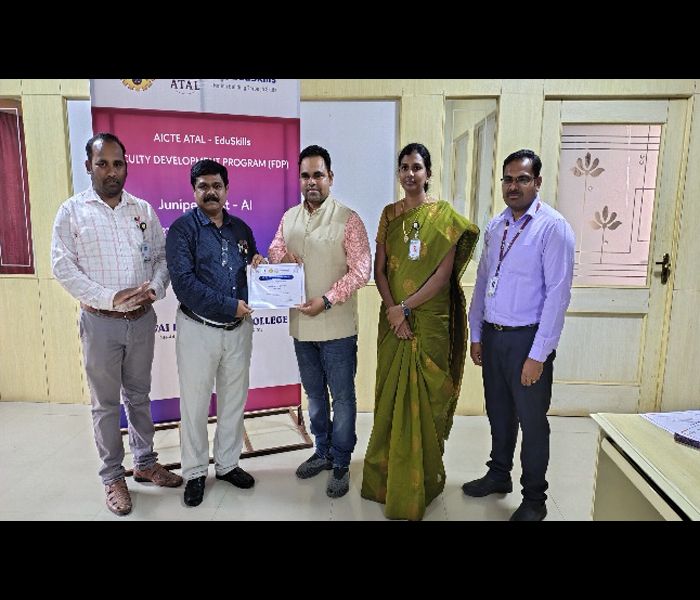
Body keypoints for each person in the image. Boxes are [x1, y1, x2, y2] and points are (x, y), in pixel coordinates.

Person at [51, 132, 183, 517]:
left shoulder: (142, 210)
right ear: (88, 166)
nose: (111, 171)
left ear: (126, 166)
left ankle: (144, 463)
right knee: (106, 405)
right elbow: (62, 268)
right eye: (102, 163)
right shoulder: (72, 212)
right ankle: (112, 476)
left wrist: (156, 288)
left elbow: (162, 257)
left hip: (141, 321)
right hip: (100, 323)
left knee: (139, 396)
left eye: (118, 163)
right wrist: (110, 298)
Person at [361, 143, 479, 521]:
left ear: (428, 173)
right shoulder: (389, 214)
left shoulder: (444, 218)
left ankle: (422, 480)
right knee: (391, 397)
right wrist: (394, 312)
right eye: (404, 168)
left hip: (428, 321)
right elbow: (380, 269)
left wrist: (406, 308)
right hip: (393, 319)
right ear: (398, 173)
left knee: (427, 400)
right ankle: (386, 480)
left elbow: (443, 276)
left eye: (416, 167)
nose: (410, 174)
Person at [464, 149, 575, 521]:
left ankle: (534, 500)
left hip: (528, 340)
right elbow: (483, 282)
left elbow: (557, 296)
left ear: (537, 182)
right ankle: (499, 474)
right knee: (498, 412)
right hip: (493, 336)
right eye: (508, 179)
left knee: (532, 422)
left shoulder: (553, 228)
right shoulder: (496, 226)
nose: (514, 186)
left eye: (522, 179)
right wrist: (476, 332)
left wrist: (538, 355)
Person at [267, 145, 371, 499]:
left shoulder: (348, 219)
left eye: (318, 175)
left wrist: (326, 300)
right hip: (302, 327)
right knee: (313, 395)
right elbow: (274, 250)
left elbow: (361, 270)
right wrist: (282, 255)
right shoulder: (289, 218)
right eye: (305, 176)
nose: (311, 182)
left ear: (330, 178)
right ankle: (322, 451)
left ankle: (341, 461)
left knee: (342, 397)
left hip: (337, 328)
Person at [166, 159, 265, 507]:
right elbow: (184, 284)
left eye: (217, 186)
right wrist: (229, 305)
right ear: (194, 190)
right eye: (203, 186)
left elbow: (250, 268)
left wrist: (258, 266)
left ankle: (227, 465)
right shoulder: (182, 230)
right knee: (194, 404)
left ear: (226, 189)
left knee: (233, 400)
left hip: (239, 330)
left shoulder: (240, 228)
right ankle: (195, 472)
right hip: (199, 328)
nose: (211, 192)